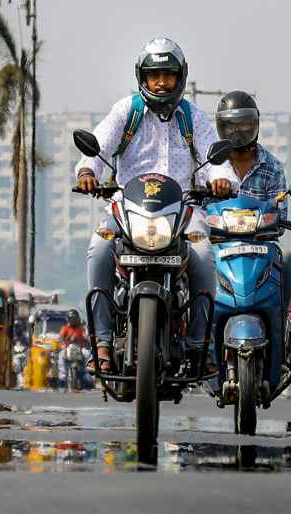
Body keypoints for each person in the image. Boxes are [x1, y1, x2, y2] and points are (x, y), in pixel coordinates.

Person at [76, 37, 233, 374]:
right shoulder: (126, 112)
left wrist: (221, 178)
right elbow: (98, 146)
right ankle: (101, 343)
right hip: (126, 210)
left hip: (182, 213)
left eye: (168, 74)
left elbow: (213, 155)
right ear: (142, 78)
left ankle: (197, 348)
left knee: (204, 257)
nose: (161, 82)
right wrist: (88, 170)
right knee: (99, 250)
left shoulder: (193, 117)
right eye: (154, 75)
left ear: (181, 77)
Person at [208, 90, 291, 383]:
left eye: (245, 123)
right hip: (221, 248)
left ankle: (282, 338)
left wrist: (274, 218)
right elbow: (198, 205)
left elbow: (281, 209)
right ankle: (199, 348)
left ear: (255, 125)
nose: (238, 130)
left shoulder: (272, 165)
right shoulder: (212, 164)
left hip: (260, 247)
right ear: (220, 128)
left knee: (288, 261)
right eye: (231, 125)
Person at [58, 309, 91, 389]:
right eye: (71, 318)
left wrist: (87, 340)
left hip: (80, 348)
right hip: (68, 348)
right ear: (68, 319)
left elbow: (85, 337)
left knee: (88, 354)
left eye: (74, 318)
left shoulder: (81, 328)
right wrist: (63, 343)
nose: (73, 320)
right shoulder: (65, 328)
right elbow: (61, 338)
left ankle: (88, 373)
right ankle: (62, 375)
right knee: (61, 355)